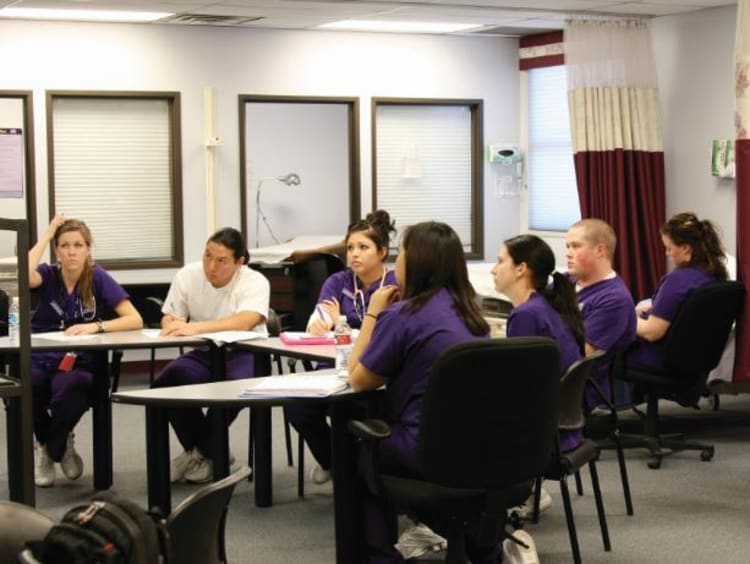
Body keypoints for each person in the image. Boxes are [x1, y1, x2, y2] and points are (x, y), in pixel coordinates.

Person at [348, 221, 500, 564]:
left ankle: (381, 557)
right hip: (482, 448)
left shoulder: (403, 315)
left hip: (426, 449)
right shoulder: (473, 313)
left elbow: (358, 379)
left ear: (415, 262)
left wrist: (374, 311)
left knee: (357, 450)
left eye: (400, 253)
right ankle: (471, 540)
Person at [284, 210, 397, 485]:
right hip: (334, 368)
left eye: (363, 247)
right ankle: (336, 463)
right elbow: (318, 321)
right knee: (296, 408)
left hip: (376, 373)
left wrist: (342, 325)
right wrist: (325, 323)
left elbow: (386, 333)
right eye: (350, 248)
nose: (354, 254)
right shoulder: (338, 281)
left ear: (382, 251)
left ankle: (353, 469)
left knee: (354, 410)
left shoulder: (395, 285)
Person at [29, 215, 143, 487]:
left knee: (72, 386)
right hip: (41, 357)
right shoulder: (47, 275)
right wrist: (47, 234)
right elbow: (20, 272)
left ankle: (52, 445)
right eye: (64, 245)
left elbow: (134, 319)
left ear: (88, 248)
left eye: (78, 245)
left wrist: (97, 326)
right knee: (28, 385)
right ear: (56, 250)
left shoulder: (98, 278)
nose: (71, 252)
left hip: (79, 360)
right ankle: (48, 446)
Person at [152, 227, 270, 484]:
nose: (211, 266)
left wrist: (193, 327)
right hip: (205, 351)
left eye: (221, 260)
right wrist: (170, 321)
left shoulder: (255, 281)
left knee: (232, 389)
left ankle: (200, 453)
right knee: (166, 384)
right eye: (207, 256)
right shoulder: (188, 275)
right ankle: (213, 452)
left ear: (240, 262)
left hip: (247, 352)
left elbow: (245, 320)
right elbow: (172, 316)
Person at [492, 234, 584, 522]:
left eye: (500, 261)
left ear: (521, 269)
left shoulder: (526, 315)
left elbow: (516, 389)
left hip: (545, 436)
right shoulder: (544, 307)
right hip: (566, 426)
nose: (494, 269)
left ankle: (480, 511)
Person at [625, 212, 728, 399]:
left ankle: (598, 413)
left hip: (659, 359)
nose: (667, 254)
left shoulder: (677, 281)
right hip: (692, 361)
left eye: (669, 248)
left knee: (602, 347)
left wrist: (625, 317)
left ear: (686, 249)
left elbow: (652, 332)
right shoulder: (713, 277)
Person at [566, 218, 637, 409]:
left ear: (600, 250)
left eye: (575, 246)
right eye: (568, 246)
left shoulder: (614, 299)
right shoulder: (567, 282)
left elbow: (580, 355)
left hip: (579, 391)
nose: (568, 253)